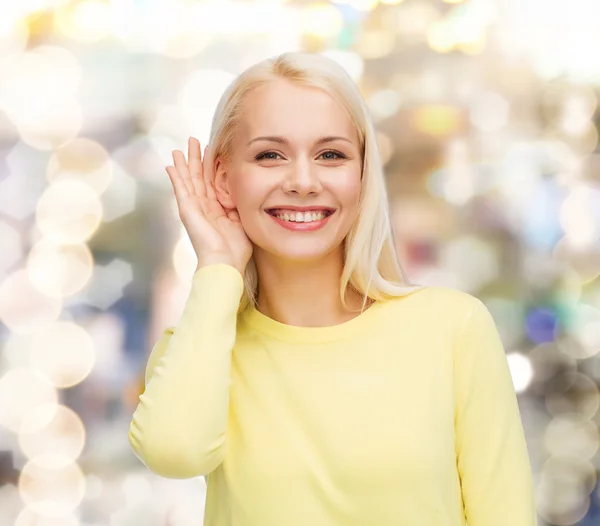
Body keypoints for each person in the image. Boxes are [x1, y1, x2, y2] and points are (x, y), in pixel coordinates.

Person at [128, 52, 537, 526]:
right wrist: (219, 266)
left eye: (331, 155)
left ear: (362, 174)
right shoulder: (204, 346)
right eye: (269, 155)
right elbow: (174, 453)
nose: (303, 182)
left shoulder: (452, 328)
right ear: (222, 177)